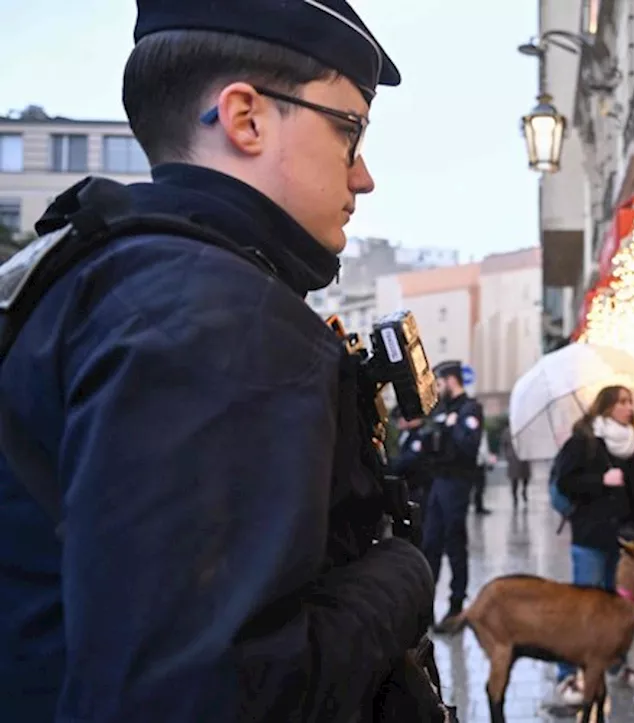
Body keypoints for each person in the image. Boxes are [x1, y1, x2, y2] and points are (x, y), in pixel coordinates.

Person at [0, 2, 443, 721]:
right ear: (245, 117)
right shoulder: (224, 320)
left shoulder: (109, 274)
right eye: (350, 130)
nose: (363, 176)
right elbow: (197, 696)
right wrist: (401, 573)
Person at [551, 385, 634, 706]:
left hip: (624, 540)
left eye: (630, 402)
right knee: (584, 607)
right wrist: (601, 481)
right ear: (606, 407)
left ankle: (617, 665)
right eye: (622, 402)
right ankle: (568, 674)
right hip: (591, 535)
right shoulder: (584, 441)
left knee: (621, 608)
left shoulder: (632, 441)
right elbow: (565, 482)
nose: (629, 407)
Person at [421, 360, 485, 628]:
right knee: (430, 544)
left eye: (440, 381)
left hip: (457, 483)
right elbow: (427, 440)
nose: (437, 387)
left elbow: (467, 446)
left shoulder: (470, 409)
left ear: (451, 380)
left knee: (455, 545)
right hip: (438, 482)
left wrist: (449, 427)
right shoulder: (443, 409)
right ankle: (425, 606)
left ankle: (456, 606)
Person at [501, 423, 532, 507]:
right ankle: (515, 496)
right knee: (514, 479)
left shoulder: (525, 430)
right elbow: (504, 444)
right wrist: (507, 455)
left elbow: (530, 442)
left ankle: (524, 491)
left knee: (525, 476)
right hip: (513, 457)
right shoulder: (507, 431)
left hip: (524, 455)